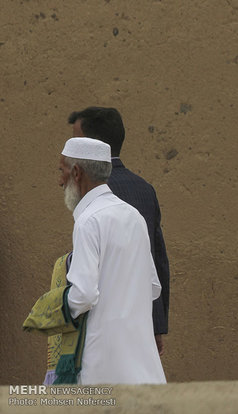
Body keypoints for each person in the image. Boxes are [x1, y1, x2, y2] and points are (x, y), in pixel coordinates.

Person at [57, 137, 166, 384]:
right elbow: (151, 287)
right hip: (143, 366)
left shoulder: (88, 221)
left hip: (102, 364)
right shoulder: (133, 216)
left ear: (76, 173)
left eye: (61, 170)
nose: (59, 180)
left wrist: (56, 310)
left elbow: (83, 295)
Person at [68, 107, 170, 355]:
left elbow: (86, 285)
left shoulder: (89, 189)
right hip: (139, 326)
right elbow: (157, 262)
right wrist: (156, 327)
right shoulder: (144, 189)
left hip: (101, 332)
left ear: (92, 145)